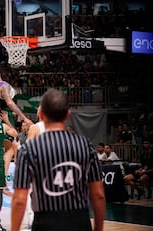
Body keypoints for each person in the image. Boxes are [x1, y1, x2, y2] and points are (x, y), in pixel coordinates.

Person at [11, 88, 105, 231]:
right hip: (79, 222)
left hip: (45, 222)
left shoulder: (29, 149)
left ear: (41, 115)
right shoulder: (86, 145)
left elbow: (19, 200)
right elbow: (98, 195)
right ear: (68, 115)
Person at [0, 31, 33, 176]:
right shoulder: (2, 87)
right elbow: (10, 104)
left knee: (11, 147)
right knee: (11, 147)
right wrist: (24, 117)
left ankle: (2, 179)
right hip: (5, 114)